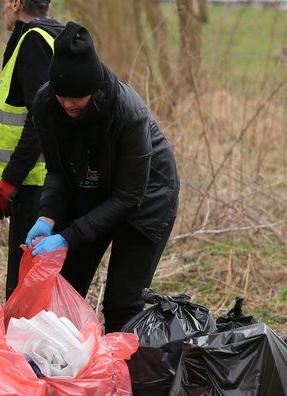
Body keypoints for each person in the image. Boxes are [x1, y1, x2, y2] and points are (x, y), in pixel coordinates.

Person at [25, 21, 180, 334]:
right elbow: (57, 171)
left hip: (146, 199)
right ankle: (66, 373)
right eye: (61, 95)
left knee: (122, 302)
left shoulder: (128, 114)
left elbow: (128, 198)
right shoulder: (46, 104)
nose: (68, 104)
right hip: (90, 189)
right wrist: (47, 217)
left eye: (76, 97)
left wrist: (69, 235)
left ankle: (121, 379)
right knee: (64, 291)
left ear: (94, 90)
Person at [0, 0, 65, 299]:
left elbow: (38, 118)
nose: (3, 8)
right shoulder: (50, 37)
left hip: (33, 183)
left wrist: (10, 180)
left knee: (24, 284)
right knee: (34, 278)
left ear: (16, 3)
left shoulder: (32, 42)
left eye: (4, 1)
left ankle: (21, 349)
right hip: (39, 181)